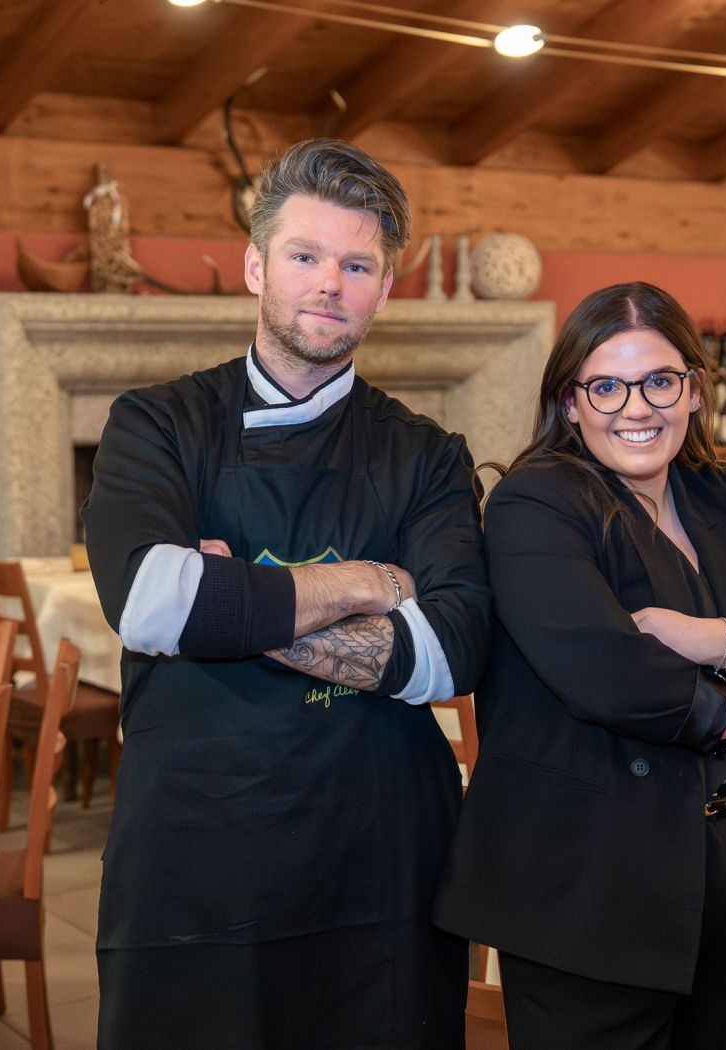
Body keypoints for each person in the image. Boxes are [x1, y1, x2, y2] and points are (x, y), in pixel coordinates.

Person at [82, 139, 491, 1049]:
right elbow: (151, 604)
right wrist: (369, 583)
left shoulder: (427, 455)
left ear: (384, 289)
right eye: (305, 256)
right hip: (198, 856)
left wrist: (227, 598)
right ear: (257, 267)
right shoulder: (157, 425)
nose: (329, 284)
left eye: (357, 265)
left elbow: (454, 650)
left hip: (378, 859)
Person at [434, 282, 726, 1049]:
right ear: (570, 403)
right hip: (591, 894)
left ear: (694, 390)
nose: (637, 408)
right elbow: (618, 679)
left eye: (660, 381)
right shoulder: (535, 505)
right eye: (607, 386)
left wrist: (710, 639)